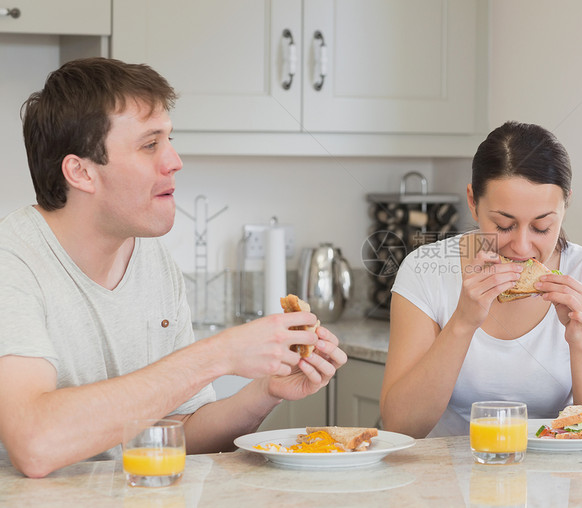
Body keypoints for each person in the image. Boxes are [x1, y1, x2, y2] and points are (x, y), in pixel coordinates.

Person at [0, 57, 347, 477]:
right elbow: (36, 443)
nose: (175, 160)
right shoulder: (13, 260)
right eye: (150, 145)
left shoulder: (151, 259)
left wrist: (266, 391)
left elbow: (183, 432)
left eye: (169, 140)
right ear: (81, 172)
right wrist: (217, 355)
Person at [379, 121, 582, 438]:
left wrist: (581, 338)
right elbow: (400, 426)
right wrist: (462, 322)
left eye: (541, 227)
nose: (523, 247)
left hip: (557, 481)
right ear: (473, 201)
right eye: (503, 225)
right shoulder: (423, 270)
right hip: (442, 480)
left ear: (565, 205)